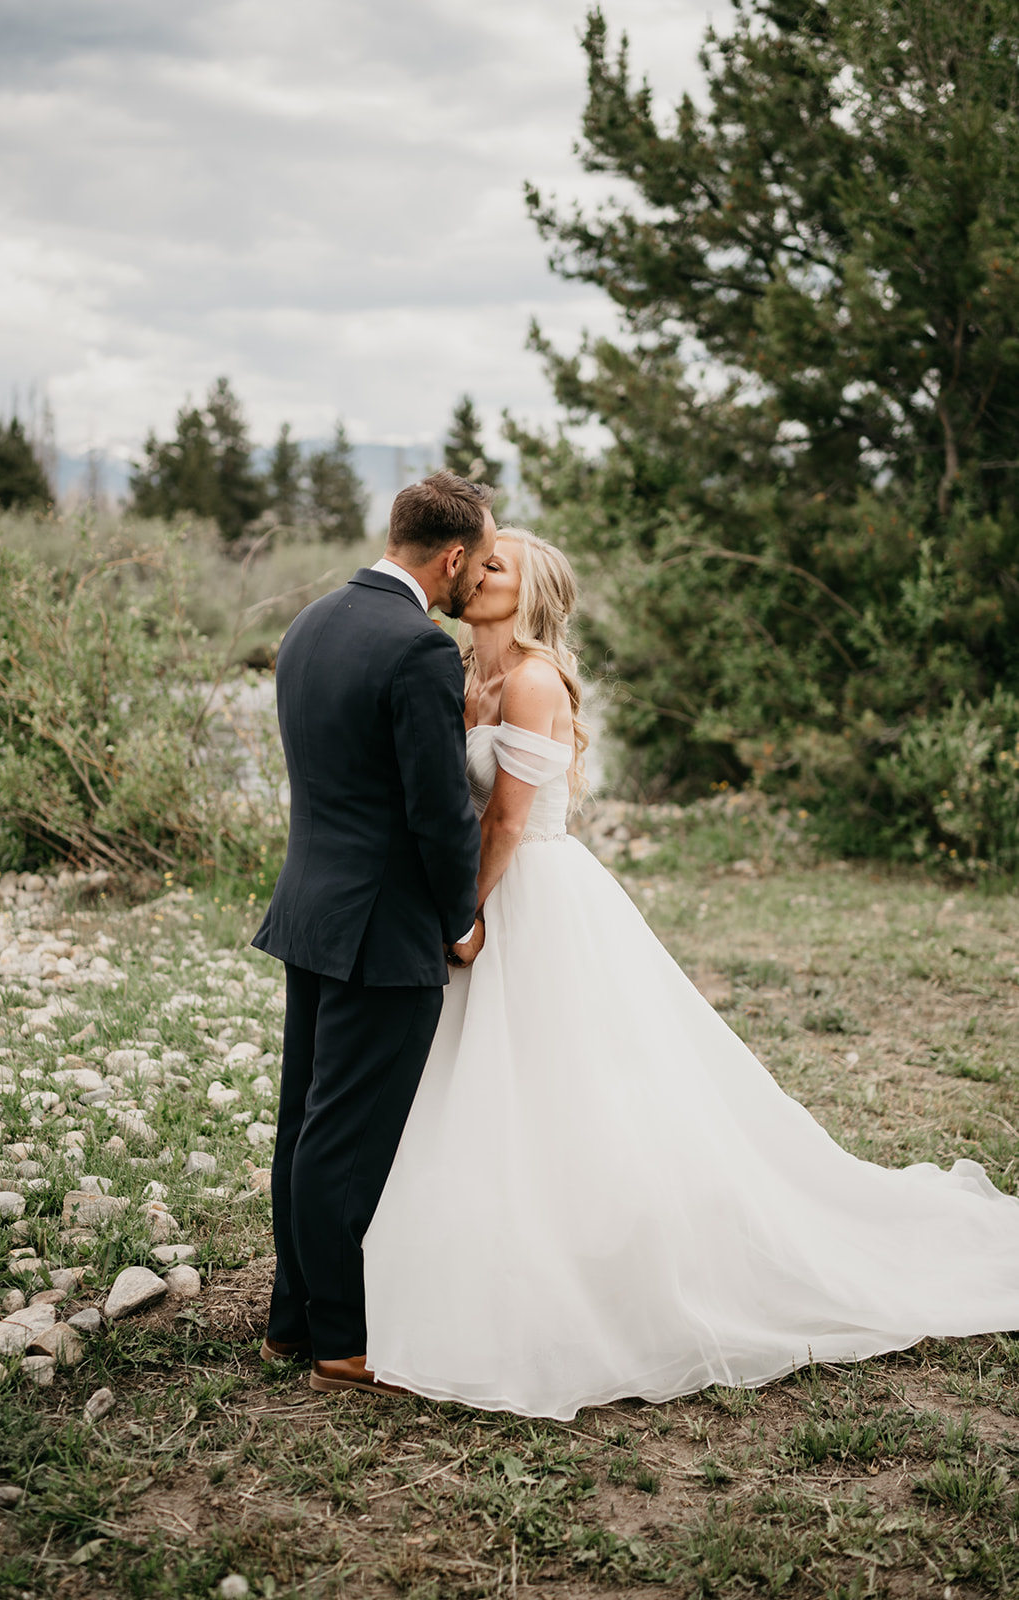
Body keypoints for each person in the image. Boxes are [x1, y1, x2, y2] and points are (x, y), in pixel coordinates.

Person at [362, 526, 1019, 1421]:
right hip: (485, 898)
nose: (476, 573)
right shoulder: (461, 674)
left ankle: (604, 1268)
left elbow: (509, 821)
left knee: (569, 1085)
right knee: (488, 1087)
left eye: (497, 566)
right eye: (477, 562)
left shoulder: (528, 678)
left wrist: (460, 916)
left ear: (530, 593)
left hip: (529, 894)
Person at [252, 471, 496, 1394]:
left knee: (303, 1126)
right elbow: (438, 816)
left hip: (311, 909)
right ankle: (340, 1342)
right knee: (344, 1138)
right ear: (455, 556)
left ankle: (288, 1320)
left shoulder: (309, 624)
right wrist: (459, 919)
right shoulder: (419, 650)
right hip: (381, 930)